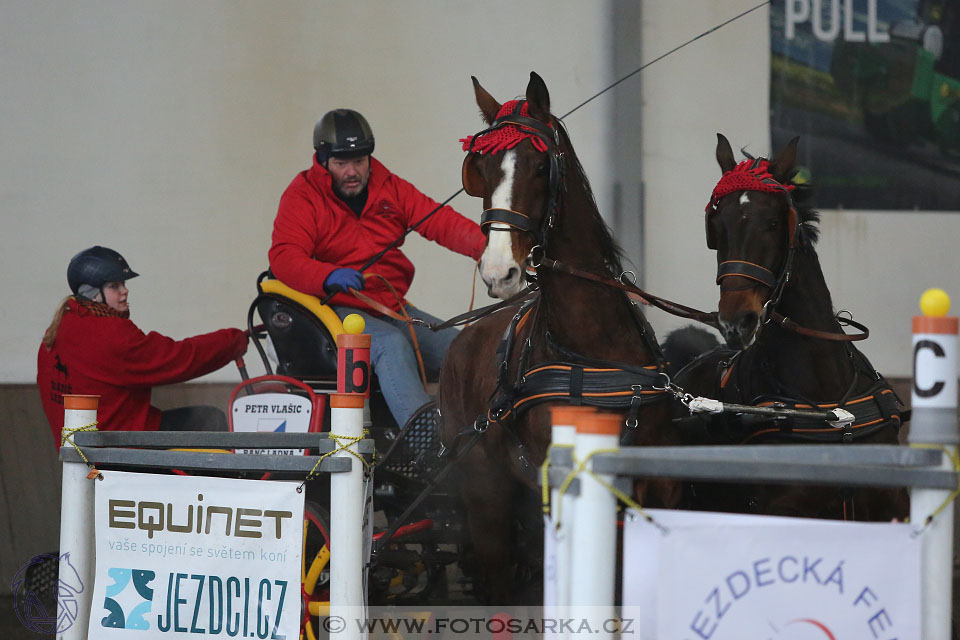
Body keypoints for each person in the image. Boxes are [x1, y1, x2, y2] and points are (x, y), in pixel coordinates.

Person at [269, 108, 485, 427]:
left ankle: (483, 435)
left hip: (388, 307)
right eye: (342, 163)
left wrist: (489, 247)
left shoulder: (390, 187)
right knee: (389, 345)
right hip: (332, 309)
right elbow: (284, 257)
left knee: (463, 349)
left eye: (359, 161)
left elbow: (439, 220)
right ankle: (423, 441)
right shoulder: (302, 196)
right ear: (323, 160)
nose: (352, 171)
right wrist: (327, 276)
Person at [38, 246, 249, 447]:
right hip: (120, 448)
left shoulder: (59, 328)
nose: (125, 291)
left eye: (123, 284)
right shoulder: (110, 333)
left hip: (84, 448)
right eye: (114, 286)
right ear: (93, 293)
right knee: (209, 420)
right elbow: (177, 359)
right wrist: (232, 341)